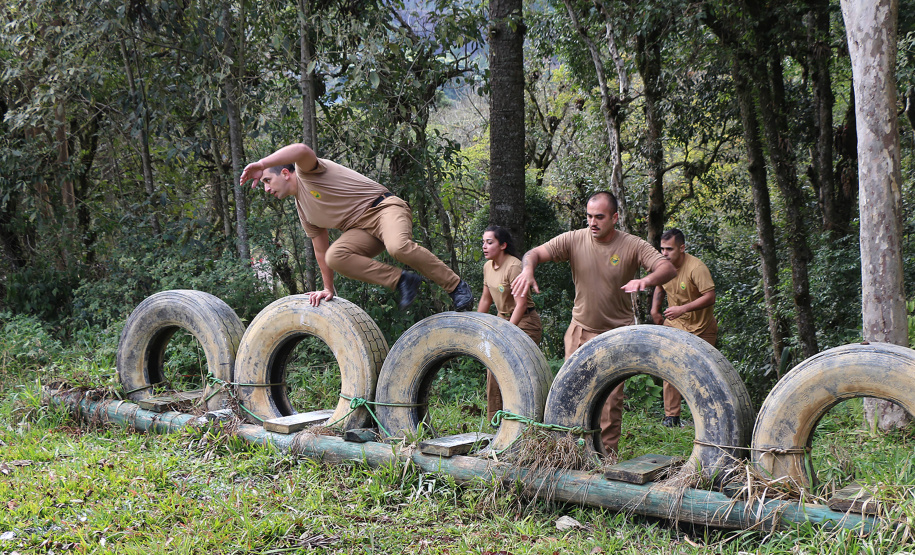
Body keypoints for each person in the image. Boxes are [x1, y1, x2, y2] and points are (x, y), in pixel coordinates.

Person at [511, 191, 676, 455]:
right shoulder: (574, 239)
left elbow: (667, 268)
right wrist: (528, 268)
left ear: (615, 217)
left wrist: (646, 280)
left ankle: (605, 457)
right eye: (589, 216)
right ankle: (568, 451)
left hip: (616, 334)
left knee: (610, 402)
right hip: (580, 330)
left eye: (599, 217)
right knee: (570, 393)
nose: (592, 222)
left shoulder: (632, 245)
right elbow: (535, 253)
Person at [239, 143, 473, 310]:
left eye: (267, 180)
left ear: (285, 173)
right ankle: (402, 281)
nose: (266, 188)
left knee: (398, 247)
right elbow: (321, 251)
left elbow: (301, 150)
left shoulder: (306, 172)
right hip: (362, 231)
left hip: (384, 208)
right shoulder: (304, 211)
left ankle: (456, 287)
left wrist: (262, 164)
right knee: (335, 256)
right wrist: (328, 288)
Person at [650, 228, 717, 428]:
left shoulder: (696, 268)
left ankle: (706, 418)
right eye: (662, 249)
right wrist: (654, 309)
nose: (664, 253)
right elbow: (659, 286)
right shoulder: (663, 266)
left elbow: (710, 296)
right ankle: (671, 417)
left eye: (669, 249)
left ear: (682, 248)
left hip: (702, 327)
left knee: (702, 372)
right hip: (675, 324)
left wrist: (682, 308)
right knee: (669, 365)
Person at [477, 225, 543, 420]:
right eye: (483, 242)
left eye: (490, 242)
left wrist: (506, 332)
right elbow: (486, 299)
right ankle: (495, 419)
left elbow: (521, 305)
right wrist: (476, 325)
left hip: (524, 322)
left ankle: (527, 418)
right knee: (493, 365)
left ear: (503, 245)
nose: (484, 246)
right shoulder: (487, 267)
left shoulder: (514, 266)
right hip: (502, 319)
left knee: (518, 369)